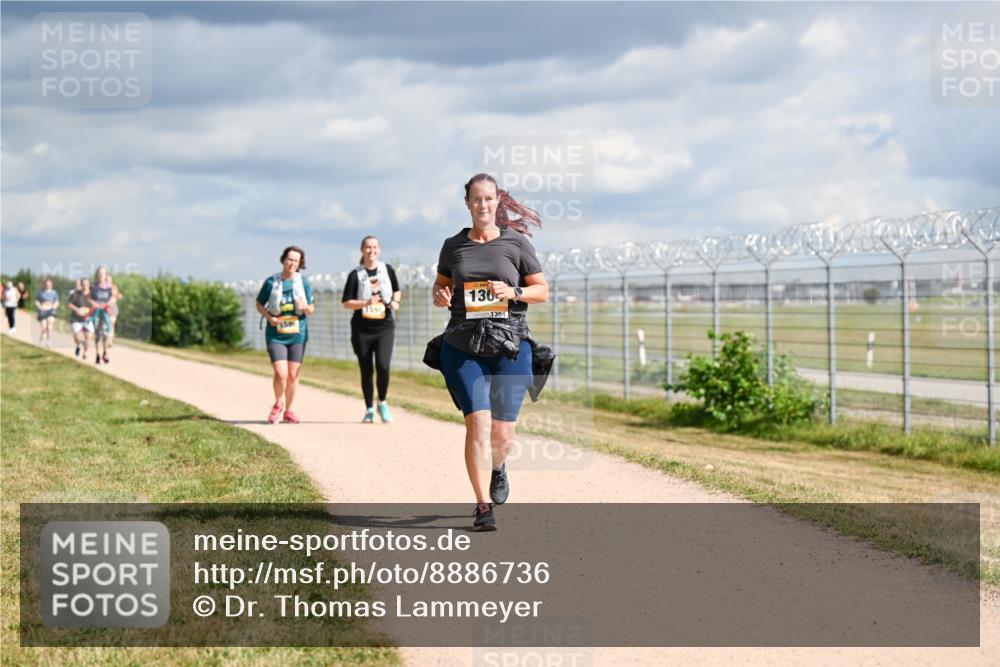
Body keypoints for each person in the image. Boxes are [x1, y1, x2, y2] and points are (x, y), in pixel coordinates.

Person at [432, 173, 549, 531]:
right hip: (463, 345)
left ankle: (498, 467)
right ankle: (483, 506)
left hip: (509, 345)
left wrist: (512, 293)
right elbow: (441, 285)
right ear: (467, 203)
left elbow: (541, 291)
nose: (483, 205)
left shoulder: (516, 244)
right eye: (477, 199)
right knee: (478, 424)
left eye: (489, 199)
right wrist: (439, 295)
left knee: (503, 434)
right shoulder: (453, 245)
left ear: (497, 202)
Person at [341, 236, 402, 423]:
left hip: (384, 326)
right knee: (366, 369)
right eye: (368, 247)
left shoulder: (387, 269)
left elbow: (397, 290)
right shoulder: (356, 274)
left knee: (383, 366)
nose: (371, 250)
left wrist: (396, 301)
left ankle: (382, 402)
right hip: (362, 328)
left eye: (374, 247)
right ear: (362, 250)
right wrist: (366, 302)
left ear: (379, 249)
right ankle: (369, 408)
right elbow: (346, 302)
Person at [255, 245, 316, 424]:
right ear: (283, 260)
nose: (292, 263)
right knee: (281, 373)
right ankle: (278, 403)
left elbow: (311, 308)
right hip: (276, 333)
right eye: (290, 259)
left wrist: (305, 307)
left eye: (296, 261)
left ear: (300, 264)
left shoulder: (303, 283)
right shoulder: (271, 282)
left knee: (292, 374)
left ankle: (289, 411)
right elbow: (259, 303)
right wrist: (269, 318)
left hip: (297, 333)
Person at [90, 267, 115, 364]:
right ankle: (97, 355)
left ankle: (105, 352)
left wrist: (108, 303)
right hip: (96, 313)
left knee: (105, 334)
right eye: (99, 273)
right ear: (97, 274)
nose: (101, 275)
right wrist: (94, 303)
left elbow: (113, 297)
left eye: (103, 273)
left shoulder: (109, 287)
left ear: (105, 275)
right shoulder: (93, 287)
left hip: (105, 313)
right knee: (97, 334)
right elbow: (88, 298)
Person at [68, 278, 94, 359]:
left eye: (87, 284)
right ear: (81, 285)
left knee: (88, 337)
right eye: (83, 284)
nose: (85, 286)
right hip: (76, 319)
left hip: (88, 319)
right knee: (78, 338)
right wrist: (78, 310)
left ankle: (85, 352)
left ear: (89, 285)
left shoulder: (93, 294)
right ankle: (79, 344)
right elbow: (69, 304)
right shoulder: (76, 294)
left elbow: (96, 305)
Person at [35, 278, 59, 347]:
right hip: (43, 311)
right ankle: (43, 335)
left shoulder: (54, 293)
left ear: (51, 285)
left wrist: (54, 306)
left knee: (49, 325)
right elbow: (37, 301)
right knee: (43, 326)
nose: (48, 285)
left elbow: (57, 301)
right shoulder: (40, 292)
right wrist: (40, 307)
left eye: (49, 284)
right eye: (47, 284)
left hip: (51, 311)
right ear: (44, 285)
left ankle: (48, 340)